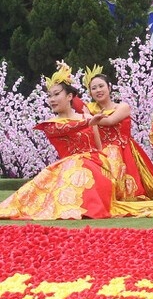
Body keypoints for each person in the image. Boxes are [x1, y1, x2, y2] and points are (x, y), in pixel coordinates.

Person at [0, 65, 144, 220]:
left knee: (86, 167)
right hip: (68, 168)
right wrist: (88, 122)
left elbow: (99, 148)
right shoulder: (51, 125)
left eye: (56, 94)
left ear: (70, 97)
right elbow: (66, 128)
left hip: (96, 168)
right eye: (50, 96)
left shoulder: (89, 117)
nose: (52, 99)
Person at [84, 66, 153, 201]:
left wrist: (89, 118)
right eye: (94, 88)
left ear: (109, 87)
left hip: (124, 151)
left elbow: (111, 121)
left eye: (101, 86)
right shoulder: (89, 110)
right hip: (102, 152)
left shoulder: (122, 107)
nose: (98, 90)